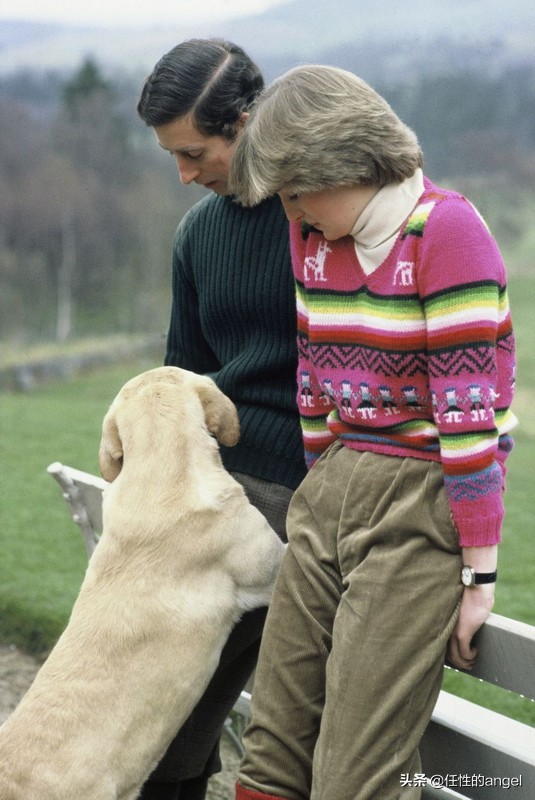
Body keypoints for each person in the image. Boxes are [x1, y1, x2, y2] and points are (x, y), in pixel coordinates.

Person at [229, 65, 517, 800]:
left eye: (295, 190)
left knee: (349, 777)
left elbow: (465, 418)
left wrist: (478, 574)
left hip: (416, 503)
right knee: (272, 748)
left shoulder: (446, 232)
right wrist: (318, 487)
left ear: (341, 161)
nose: (289, 211)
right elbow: (313, 376)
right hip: (328, 491)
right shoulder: (312, 239)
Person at [136, 40, 306, 800]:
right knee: (157, 699)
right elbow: (184, 375)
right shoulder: (197, 235)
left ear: (243, 123)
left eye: (194, 151)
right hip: (219, 489)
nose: (184, 175)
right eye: (172, 155)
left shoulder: (319, 213)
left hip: (301, 490)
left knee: (169, 694)